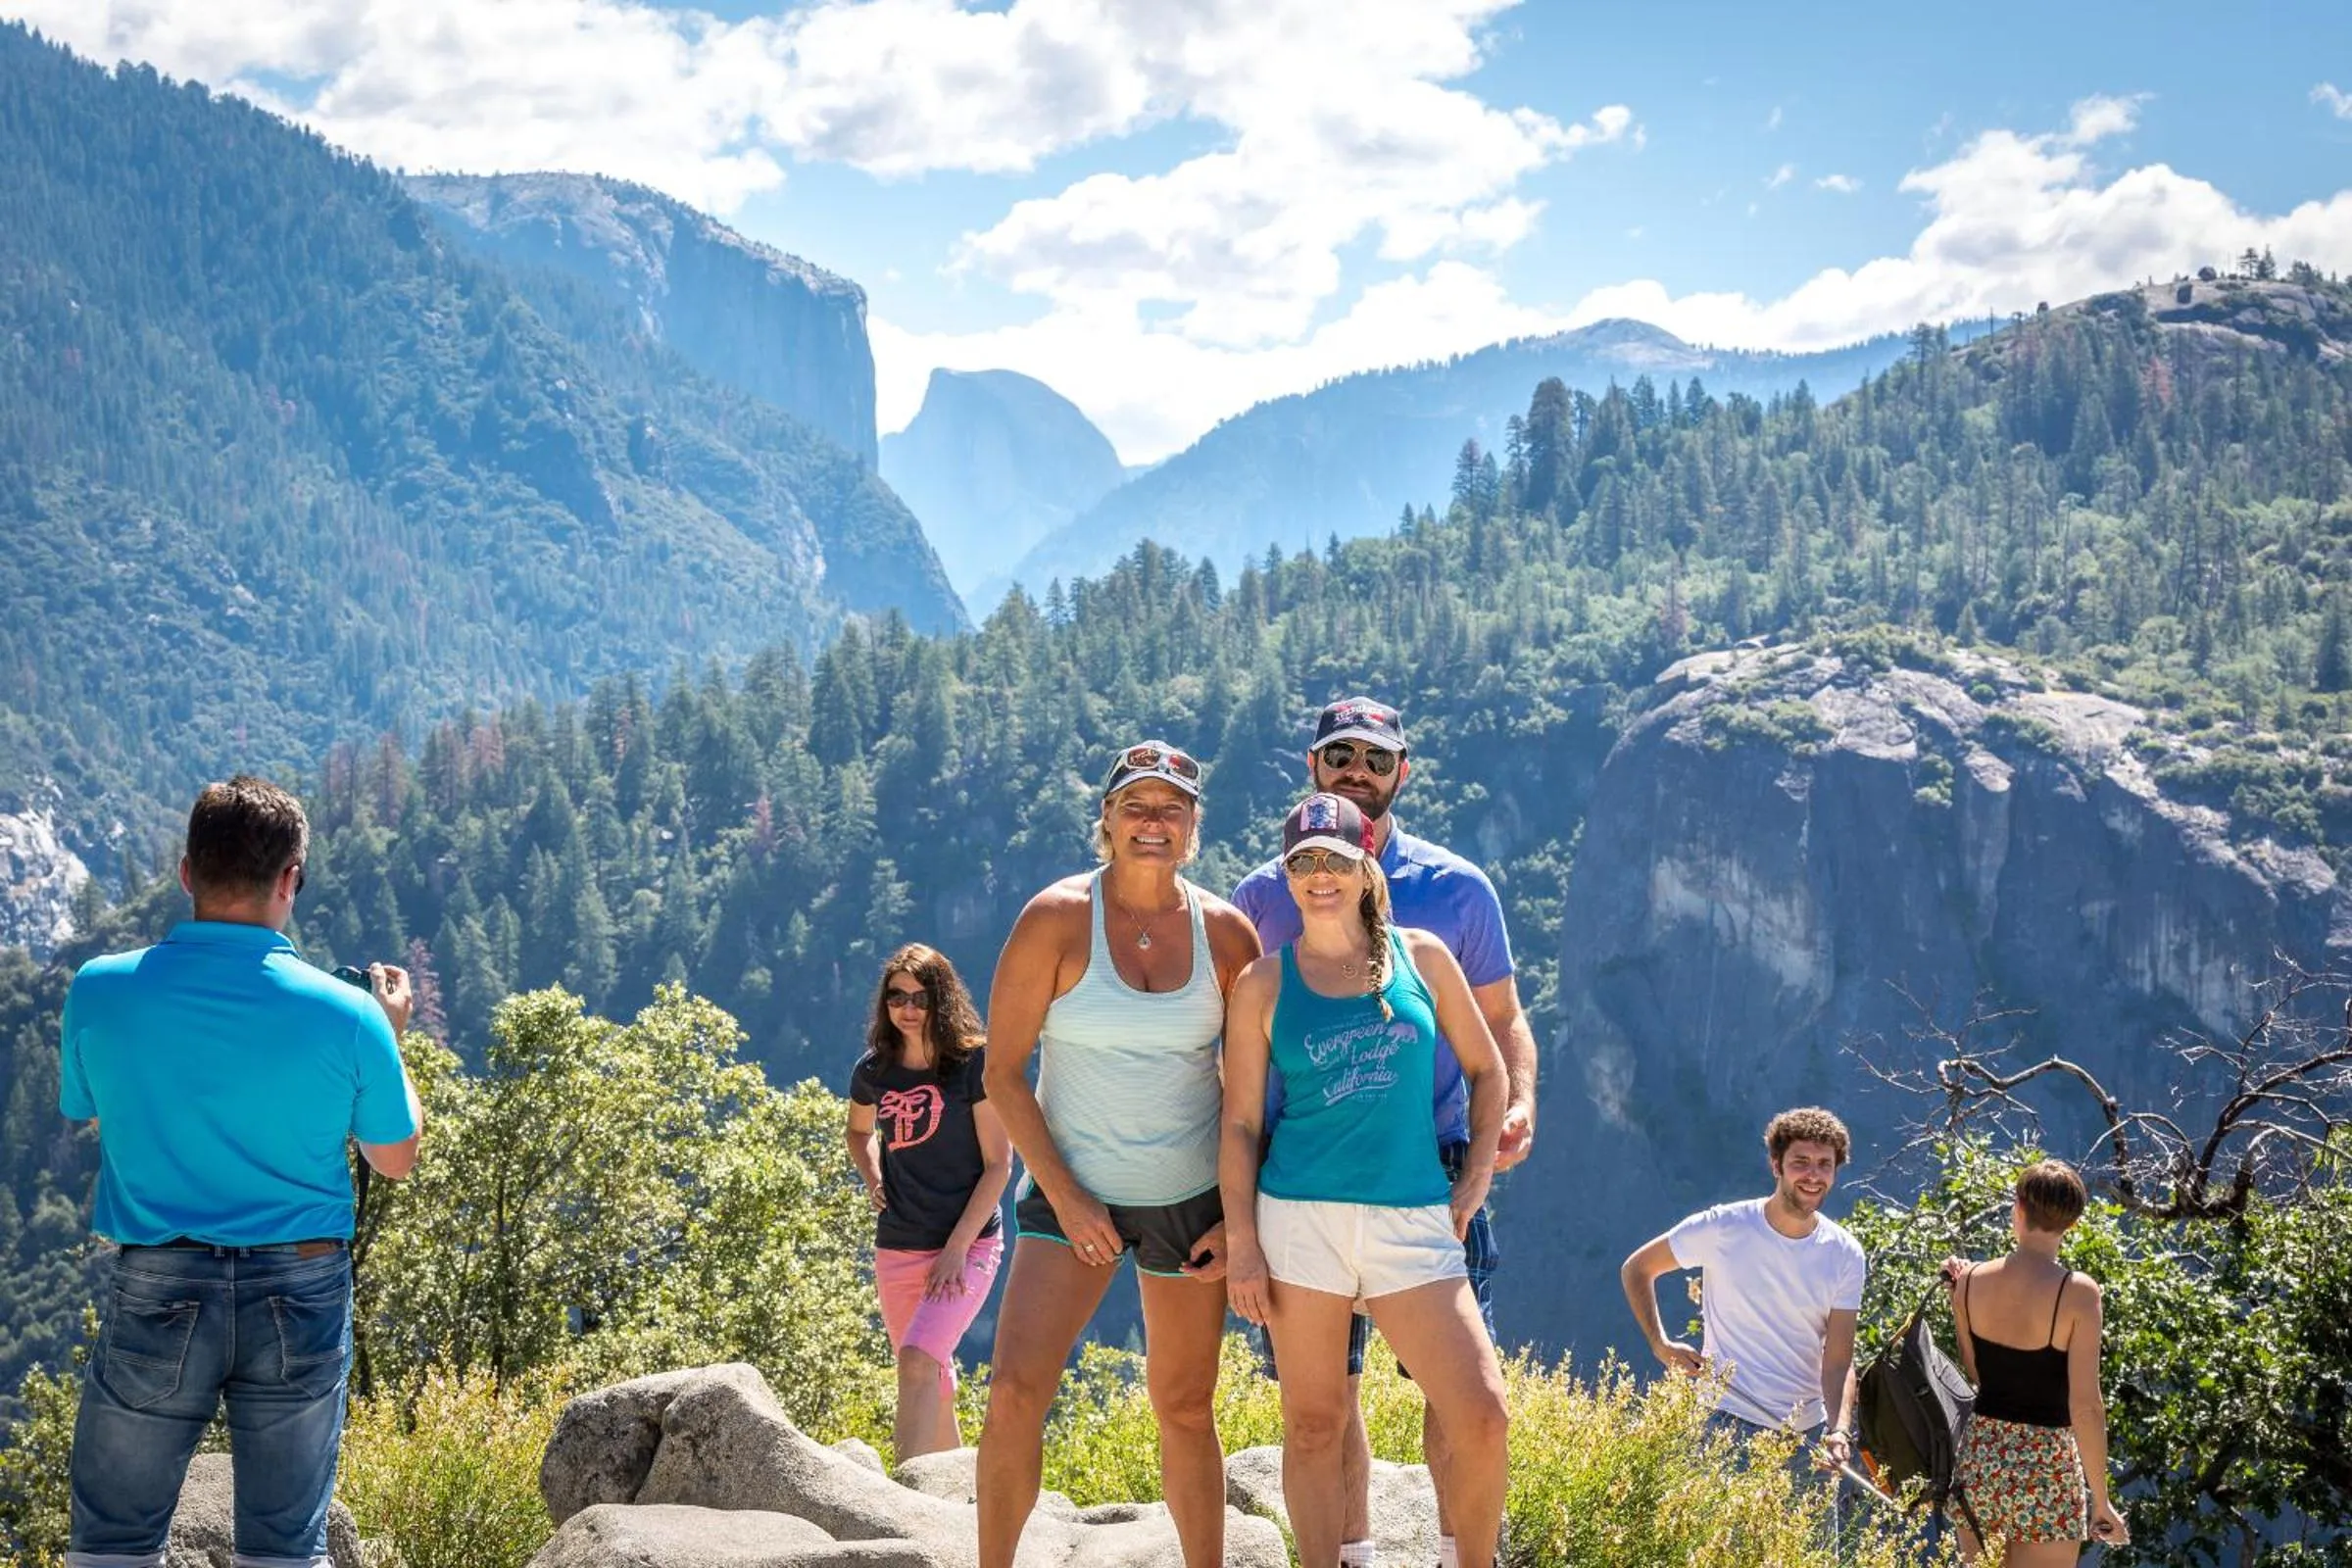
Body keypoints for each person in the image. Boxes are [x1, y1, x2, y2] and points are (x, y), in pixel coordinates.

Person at [58, 775, 422, 1568]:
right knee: (285, 1549)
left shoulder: (100, 990)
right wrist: (388, 1036)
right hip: (302, 1287)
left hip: (158, 1278)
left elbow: (83, 1103)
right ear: (290, 879)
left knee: (112, 1545)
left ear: (187, 871)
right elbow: (394, 1161)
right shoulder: (349, 1012)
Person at [1229, 696, 1537, 1568]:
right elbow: (1231, 1092)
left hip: (1424, 1177)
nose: (1355, 769)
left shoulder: (1450, 904)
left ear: (1403, 770)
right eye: (1338, 755)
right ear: (1312, 765)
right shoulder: (1257, 905)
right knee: (1325, 1407)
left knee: (1468, 1405)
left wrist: (1498, 1141)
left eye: (1374, 756)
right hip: (1301, 1188)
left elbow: (1502, 1031)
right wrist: (1239, 1228)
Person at [976, 741, 1261, 1568]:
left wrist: (1242, 1223)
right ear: (1105, 819)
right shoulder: (1056, 919)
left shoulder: (1225, 935)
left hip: (1190, 1200)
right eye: (1136, 806)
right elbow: (1001, 1070)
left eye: (1172, 809)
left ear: (1194, 827)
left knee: (1183, 1406)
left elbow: (1250, 1093)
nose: (1153, 823)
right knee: (1015, 1393)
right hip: (1073, 1195)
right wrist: (1065, 1197)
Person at [1619, 1107, 1865, 1514]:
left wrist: (1839, 1430)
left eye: (1825, 1165)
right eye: (1800, 1162)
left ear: (1836, 1171)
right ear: (1776, 1165)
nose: (1813, 1175)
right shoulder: (1724, 1227)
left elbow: (1838, 1359)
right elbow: (1637, 1269)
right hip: (1727, 1423)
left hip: (1809, 1436)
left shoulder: (1845, 1254)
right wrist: (1660, 1345)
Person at [845, 944, 1012, 1464]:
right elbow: (856, 1131)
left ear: (941, 1000)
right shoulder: (875, 1070)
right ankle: (950, 1497)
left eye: (920, 997)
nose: (908, 1008)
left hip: (969, 1243)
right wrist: (874, 1177)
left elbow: (999, 1166)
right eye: (897, 996)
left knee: (918, 1359)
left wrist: (957, 1249)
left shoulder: (971, 1065)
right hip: (899, 1245)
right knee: (926, 1369)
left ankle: (904, 1498)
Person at [1937, 1160, 2130, 1563]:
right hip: (2048, 1468)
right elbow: (2086, 1407)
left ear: (2017, 1209)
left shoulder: (1969, 1280)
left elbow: (1977, 1374)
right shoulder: (2078, 1293)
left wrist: (1958, 1298)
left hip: (1983, 1459)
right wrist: (2101, 1499)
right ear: (2072, 1224)